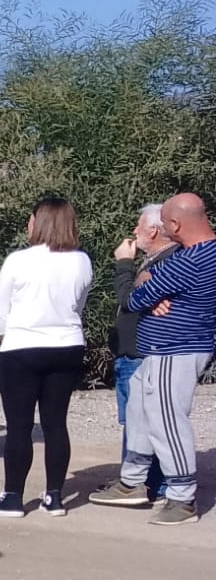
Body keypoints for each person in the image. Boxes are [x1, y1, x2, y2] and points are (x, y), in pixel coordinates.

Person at [89, 192, 216, 525]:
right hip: (164, 350)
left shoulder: (193, 260)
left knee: (166, 420)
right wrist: (151, 285)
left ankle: (182, 498)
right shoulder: (196, 254)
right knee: (141, 413)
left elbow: (133, 298)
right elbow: (146, 285)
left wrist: (148, 290)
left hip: (175, 349)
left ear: (174, 224)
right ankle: (133, 481)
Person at [0, 196, 92, 519]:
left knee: (19, 427)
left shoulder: (18, 260)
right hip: (67, 345)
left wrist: (12, 331)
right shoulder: (82, 261)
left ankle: (13, 496)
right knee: (56, 424)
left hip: (22, 347)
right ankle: (54, 496)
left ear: (37, 223)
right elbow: (78, 306)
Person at [91, 205, 172, 500]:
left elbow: (130, 300)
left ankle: (142, 484)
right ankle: (135, 480)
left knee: (144, 421)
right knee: (135, 421)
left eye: (139, 225)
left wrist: (124, 264)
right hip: (132, 352)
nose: (134, 231)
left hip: (141, 353)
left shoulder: (167, 260)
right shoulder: (154, 261)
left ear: (153, 230)